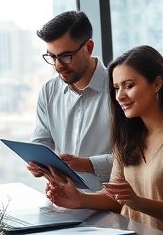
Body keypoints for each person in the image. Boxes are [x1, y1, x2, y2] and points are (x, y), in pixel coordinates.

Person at [41, 45, 163, 235]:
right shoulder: (128, 133)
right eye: (116, 88)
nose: (120, 96)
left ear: (157, 84)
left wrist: (136, 201)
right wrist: (78, 199)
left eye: (129, 86)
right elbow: (116, 197)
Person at [29, 10, 113, 186]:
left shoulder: (117, 89)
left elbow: (137, 159)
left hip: (111, 206)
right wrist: (37, 162)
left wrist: (88, 164)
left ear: (88, 48)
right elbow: (42, 140)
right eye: (52, 57)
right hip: (62, 202)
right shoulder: (48, 91)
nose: (58, 66)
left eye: (66, 56)